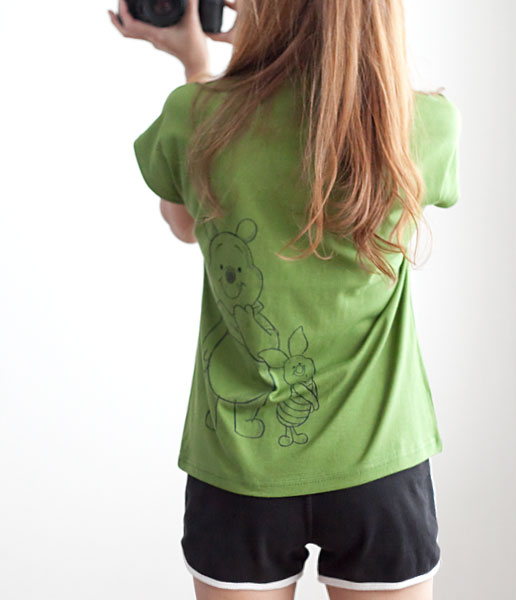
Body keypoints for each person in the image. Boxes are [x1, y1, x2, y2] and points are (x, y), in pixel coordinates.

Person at [109, 1, 461, 598]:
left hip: (240, 469)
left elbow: (184, 223)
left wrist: (198, 65)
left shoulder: (195, 115)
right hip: (380, 462)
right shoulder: (423, 124)